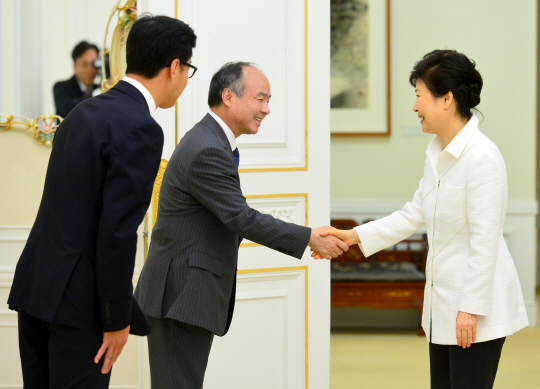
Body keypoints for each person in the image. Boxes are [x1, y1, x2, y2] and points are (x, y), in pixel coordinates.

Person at [318, 50, 529, 389]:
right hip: (443, 306)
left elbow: (485, 242)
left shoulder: (482, 157)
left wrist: (469, 309)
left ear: (446, 99)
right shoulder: (437, 150)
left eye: (419, 96)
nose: (415, 107)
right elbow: (413, 213)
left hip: (473, 311)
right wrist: (352, 236)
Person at [8, 15, 197, 388]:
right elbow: (117, 233)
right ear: (174, 67)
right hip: (79, 304)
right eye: (188, 69)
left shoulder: (83, 112)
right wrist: (116, 318)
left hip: (36, 288)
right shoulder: (141, 127)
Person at [134, 61, 348, 389]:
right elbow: (240, 217)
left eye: (269, 100)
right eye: (260, 99)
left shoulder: (211, 140)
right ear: (229, 96)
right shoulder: (207, 149)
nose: (267, 109)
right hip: (180, 295)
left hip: (180, 292)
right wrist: (309, 238)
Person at [53, 41, 101, 118]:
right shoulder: (61, 87)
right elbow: (67, 112)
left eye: (94, 64)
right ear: (74, 66)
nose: (90, 70)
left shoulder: (99, 88)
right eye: (85, 65)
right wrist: (98, 93)